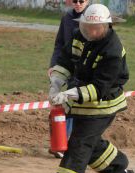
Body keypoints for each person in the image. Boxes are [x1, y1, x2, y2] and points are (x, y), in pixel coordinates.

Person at [47, 4, 134, 173]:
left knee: (78, 147)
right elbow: (66, 59)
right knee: (89, 144)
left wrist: (68, 94)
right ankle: (121, 169)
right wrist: (56, 82)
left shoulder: (113, 51)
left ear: (105, 26)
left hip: (102, 104)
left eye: (95, 28)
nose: (90, 32)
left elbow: (99, 88)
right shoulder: (80, 35)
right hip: (81, 100)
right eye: (87, 27)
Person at [47, 0, 89, 159]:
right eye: (75, 0)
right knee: (65, 104)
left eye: (81, 1)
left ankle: (69, 143)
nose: (78, 4)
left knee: (75, 105)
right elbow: (59, 45)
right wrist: (53, 65)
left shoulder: (91, 18)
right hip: (68, 67)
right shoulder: (66, 18)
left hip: (85, 69)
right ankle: (61, 143)